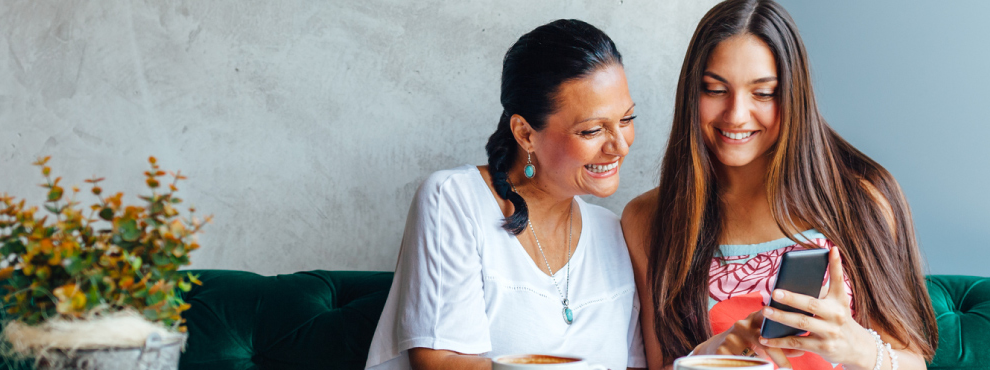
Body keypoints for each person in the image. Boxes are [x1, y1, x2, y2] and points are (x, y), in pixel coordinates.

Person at [622, 1, 938, 369]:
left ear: (793, 95)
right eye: (715, 90)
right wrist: (716, 354)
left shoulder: (862, 199)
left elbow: (913, 361)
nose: (736, 114)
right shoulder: (649, 219)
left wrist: (855, 348)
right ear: (692, 93)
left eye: (764, 93)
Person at [365, 19, 645, 370]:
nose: (620, 146)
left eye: (627, 119)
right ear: (525, 134)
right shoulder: (454, 200)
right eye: (591, 130)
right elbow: (439, 362)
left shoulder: (614, 234)